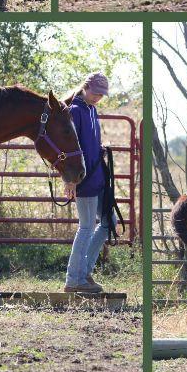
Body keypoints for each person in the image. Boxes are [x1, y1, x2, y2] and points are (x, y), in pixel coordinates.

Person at [63, 72, 118, 293]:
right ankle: (74, 280)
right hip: (83, 178)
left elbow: (87, 142)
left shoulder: (92, 110)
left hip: (97, 176)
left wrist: (99, 149)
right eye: (95, 93)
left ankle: (83, 272)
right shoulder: (74, 111)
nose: (98, 97)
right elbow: (67, 148)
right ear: (86, 88)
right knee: (86, 228)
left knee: (108, 223)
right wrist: (70, 179)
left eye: (101, 95)